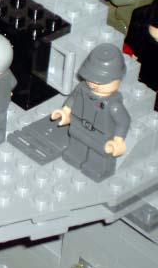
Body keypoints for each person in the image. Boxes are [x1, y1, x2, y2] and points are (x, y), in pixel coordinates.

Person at [51, 43, 130, 182]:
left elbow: (123, 122)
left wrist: (118, 140)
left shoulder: (114, 105)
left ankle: (98, 170)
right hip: (79, 128)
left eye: (102, 82)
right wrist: (65, 111)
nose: (95, 84)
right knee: (76, 148)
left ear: (118, 80)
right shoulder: (82, 88)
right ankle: (75, 157)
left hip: (101, 138)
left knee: (98, 157)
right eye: (91, 79)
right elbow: (73, 99)